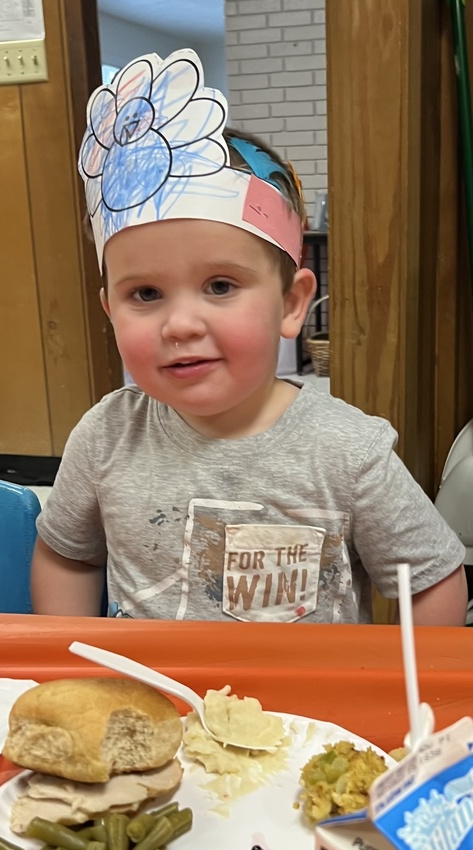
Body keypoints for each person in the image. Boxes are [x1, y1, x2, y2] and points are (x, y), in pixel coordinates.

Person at [31, 48, 467, 625]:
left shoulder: (347, 452)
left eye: (219, 285)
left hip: (302, 714)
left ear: (291, 304)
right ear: (110, 309)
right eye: (145, 294)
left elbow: (431, 580)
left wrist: (405, 697)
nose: (181, 324)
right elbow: (69, 557)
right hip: (151, 704)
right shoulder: (105, 437)